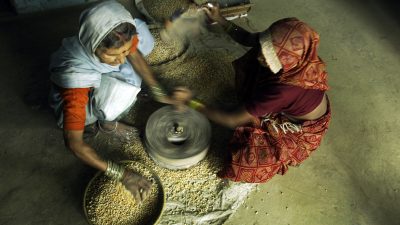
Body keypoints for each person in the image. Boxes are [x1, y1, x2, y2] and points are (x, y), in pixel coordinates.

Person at [49, 1, 184, 202]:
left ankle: (110, 78)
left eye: (123, 52)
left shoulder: (121, 38)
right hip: (80, 90)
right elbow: (74, 144)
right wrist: (123, 174)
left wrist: (159, 93)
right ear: (93, 46)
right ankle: (103, 121)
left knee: (144, 38)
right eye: (112, 54)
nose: (121, 60)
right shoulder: (74, 77)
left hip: (99, 70)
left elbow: (134, 56)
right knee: (115, 100)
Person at [191, 5, 331, 183]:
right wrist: (220, 19)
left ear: (286, 61)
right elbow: (249, 38)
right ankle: (258, 104)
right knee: (255, 63)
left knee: (249, 159)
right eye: (264, 49)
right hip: (291, 101)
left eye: (268, 57)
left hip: (301, 128)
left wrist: (191, 102)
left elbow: (232, 119)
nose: (259, 56)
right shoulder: (297, 54)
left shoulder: (282, 90)